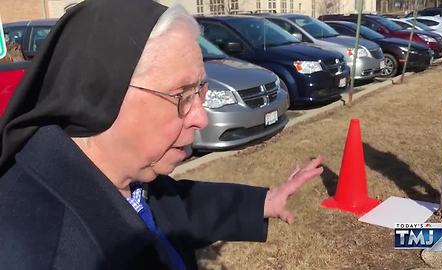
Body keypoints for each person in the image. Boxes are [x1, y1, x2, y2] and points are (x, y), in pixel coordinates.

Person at [0, 0, 324, 269]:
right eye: (181, 95)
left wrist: (263, 202)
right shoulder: (38, 249)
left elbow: (175, 207)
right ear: (100, 95)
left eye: (200, 90)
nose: (200, 116)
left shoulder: (123, 176)